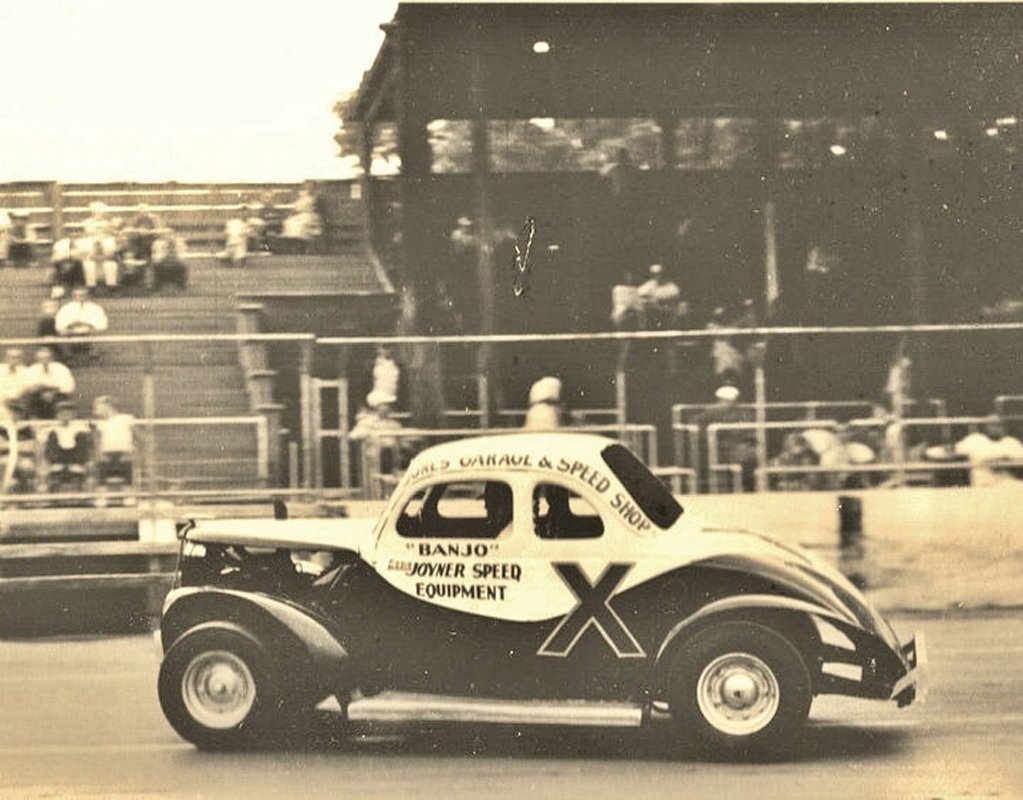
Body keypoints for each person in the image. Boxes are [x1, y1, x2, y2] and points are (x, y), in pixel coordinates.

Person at [943, 420, 1023, 487]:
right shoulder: (975, 439)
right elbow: (950, 451)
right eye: (992, 425)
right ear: (985, 426)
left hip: (1009, 483)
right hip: (983, 486)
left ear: (1004, 427)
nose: (995, 428)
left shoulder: (1012, 442)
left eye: (998, 425)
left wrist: (1005, 462)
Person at [44, 401, 92, 491]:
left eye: (68, 414)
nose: (65, 416)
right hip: (58, 457)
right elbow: (46, 447)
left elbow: (86, 446)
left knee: (81, 435)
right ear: (57, 416)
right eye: (62, 414)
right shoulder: (51, 429)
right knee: (52, 435)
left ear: (73, 415)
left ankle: (78, 465)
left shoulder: (81, 428)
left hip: (74, 456)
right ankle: (56, 465)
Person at [91, 396, 135, 488]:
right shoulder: (98, 423)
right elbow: (96, 441)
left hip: (124, 452)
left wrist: (134, 451)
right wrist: (98, 454)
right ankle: (102, 495)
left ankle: (128, 494)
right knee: (102, 464)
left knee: (126, 462)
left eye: (97, 407)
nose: (95, 411)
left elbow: (139, 435)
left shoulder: (126, 418)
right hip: (106, 454)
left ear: (108, 406)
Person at [55, 287, 109, 362]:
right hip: (71, 333)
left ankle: (94, 357)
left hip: (90, 333)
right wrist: (71, 326)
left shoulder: (96, 308)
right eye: (77, 295)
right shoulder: (65, 309)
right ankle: (68, 358)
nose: (80, 298)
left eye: (83, 295)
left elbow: (103, 325)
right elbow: (59, 325)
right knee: (61, 333)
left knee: (97, 333)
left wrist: (88, 325)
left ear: (88, 296)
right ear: (73, 296)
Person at [22, 347, 76, 420]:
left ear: (52, 358)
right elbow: (28, 386)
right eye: (41, 358)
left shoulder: (61, 368)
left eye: (47, 358)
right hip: (38, 397)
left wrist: (51, 389)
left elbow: (69, 387)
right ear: (37, 359)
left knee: (62, 403)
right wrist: (45, 388)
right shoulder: (32, 369)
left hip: (57, 396)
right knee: (32, 402)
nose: (44, 361)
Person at [636, 263, 685, 330]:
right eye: (655, 274)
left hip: (668, 313)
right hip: (652, 314)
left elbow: (675, 294)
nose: (658, 276)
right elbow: (640, 294)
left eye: (660, 273)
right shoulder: (648, 285)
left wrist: (656, 297)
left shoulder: (671, 285)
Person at [0, 348, 29, 413]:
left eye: (17, 358)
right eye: (12, 357)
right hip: (2, 400)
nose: (14, 360)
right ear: (6, 358)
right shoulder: (1, 369)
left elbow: (25, 388)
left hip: (18, 401)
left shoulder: (25, 371)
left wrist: (14, 397)